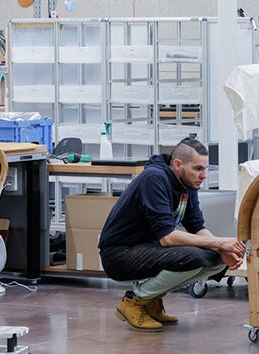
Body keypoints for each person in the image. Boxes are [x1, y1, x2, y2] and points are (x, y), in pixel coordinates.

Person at [98, 137, 245, 332]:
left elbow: (196, 225)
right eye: (198, 169)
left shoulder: (187, 183)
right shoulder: (154, 179)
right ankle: (135, 301)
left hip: (149, 249)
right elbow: (167, 237)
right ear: (178, 165)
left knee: (217, 259)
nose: (203, 176)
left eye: (205, 169)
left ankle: (151, 300)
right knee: (193, 257)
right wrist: (219, 242)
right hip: (119, 254)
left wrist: (221, 249)